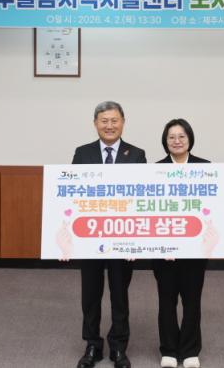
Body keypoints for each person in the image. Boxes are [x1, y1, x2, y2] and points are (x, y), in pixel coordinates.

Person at [152, 118, 224, 368]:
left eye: (182, 136)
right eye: (171, 137)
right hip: (164, 248)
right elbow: (149, 210)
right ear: (165, 141)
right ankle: (169, 349)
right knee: (166, 300)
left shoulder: (206, 168)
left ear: (189, 139)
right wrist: (161, 242)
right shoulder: (154, 170)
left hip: (195, 249)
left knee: (192, 300)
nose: (177, 141)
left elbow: (213, 207)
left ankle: (190, 350)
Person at [72, 101, 146, 368]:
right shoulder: (82, 153)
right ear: (95, 124)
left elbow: (143, 198)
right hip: (90, 237)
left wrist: (137, 241)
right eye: (104, 121)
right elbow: (71, 195)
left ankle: (118, 346)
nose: (109, 125)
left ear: (123, 122)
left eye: (114, 120)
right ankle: (92, 344)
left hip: (122, 238)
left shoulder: (136, 155)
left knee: (119, 293)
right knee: (90, 294)